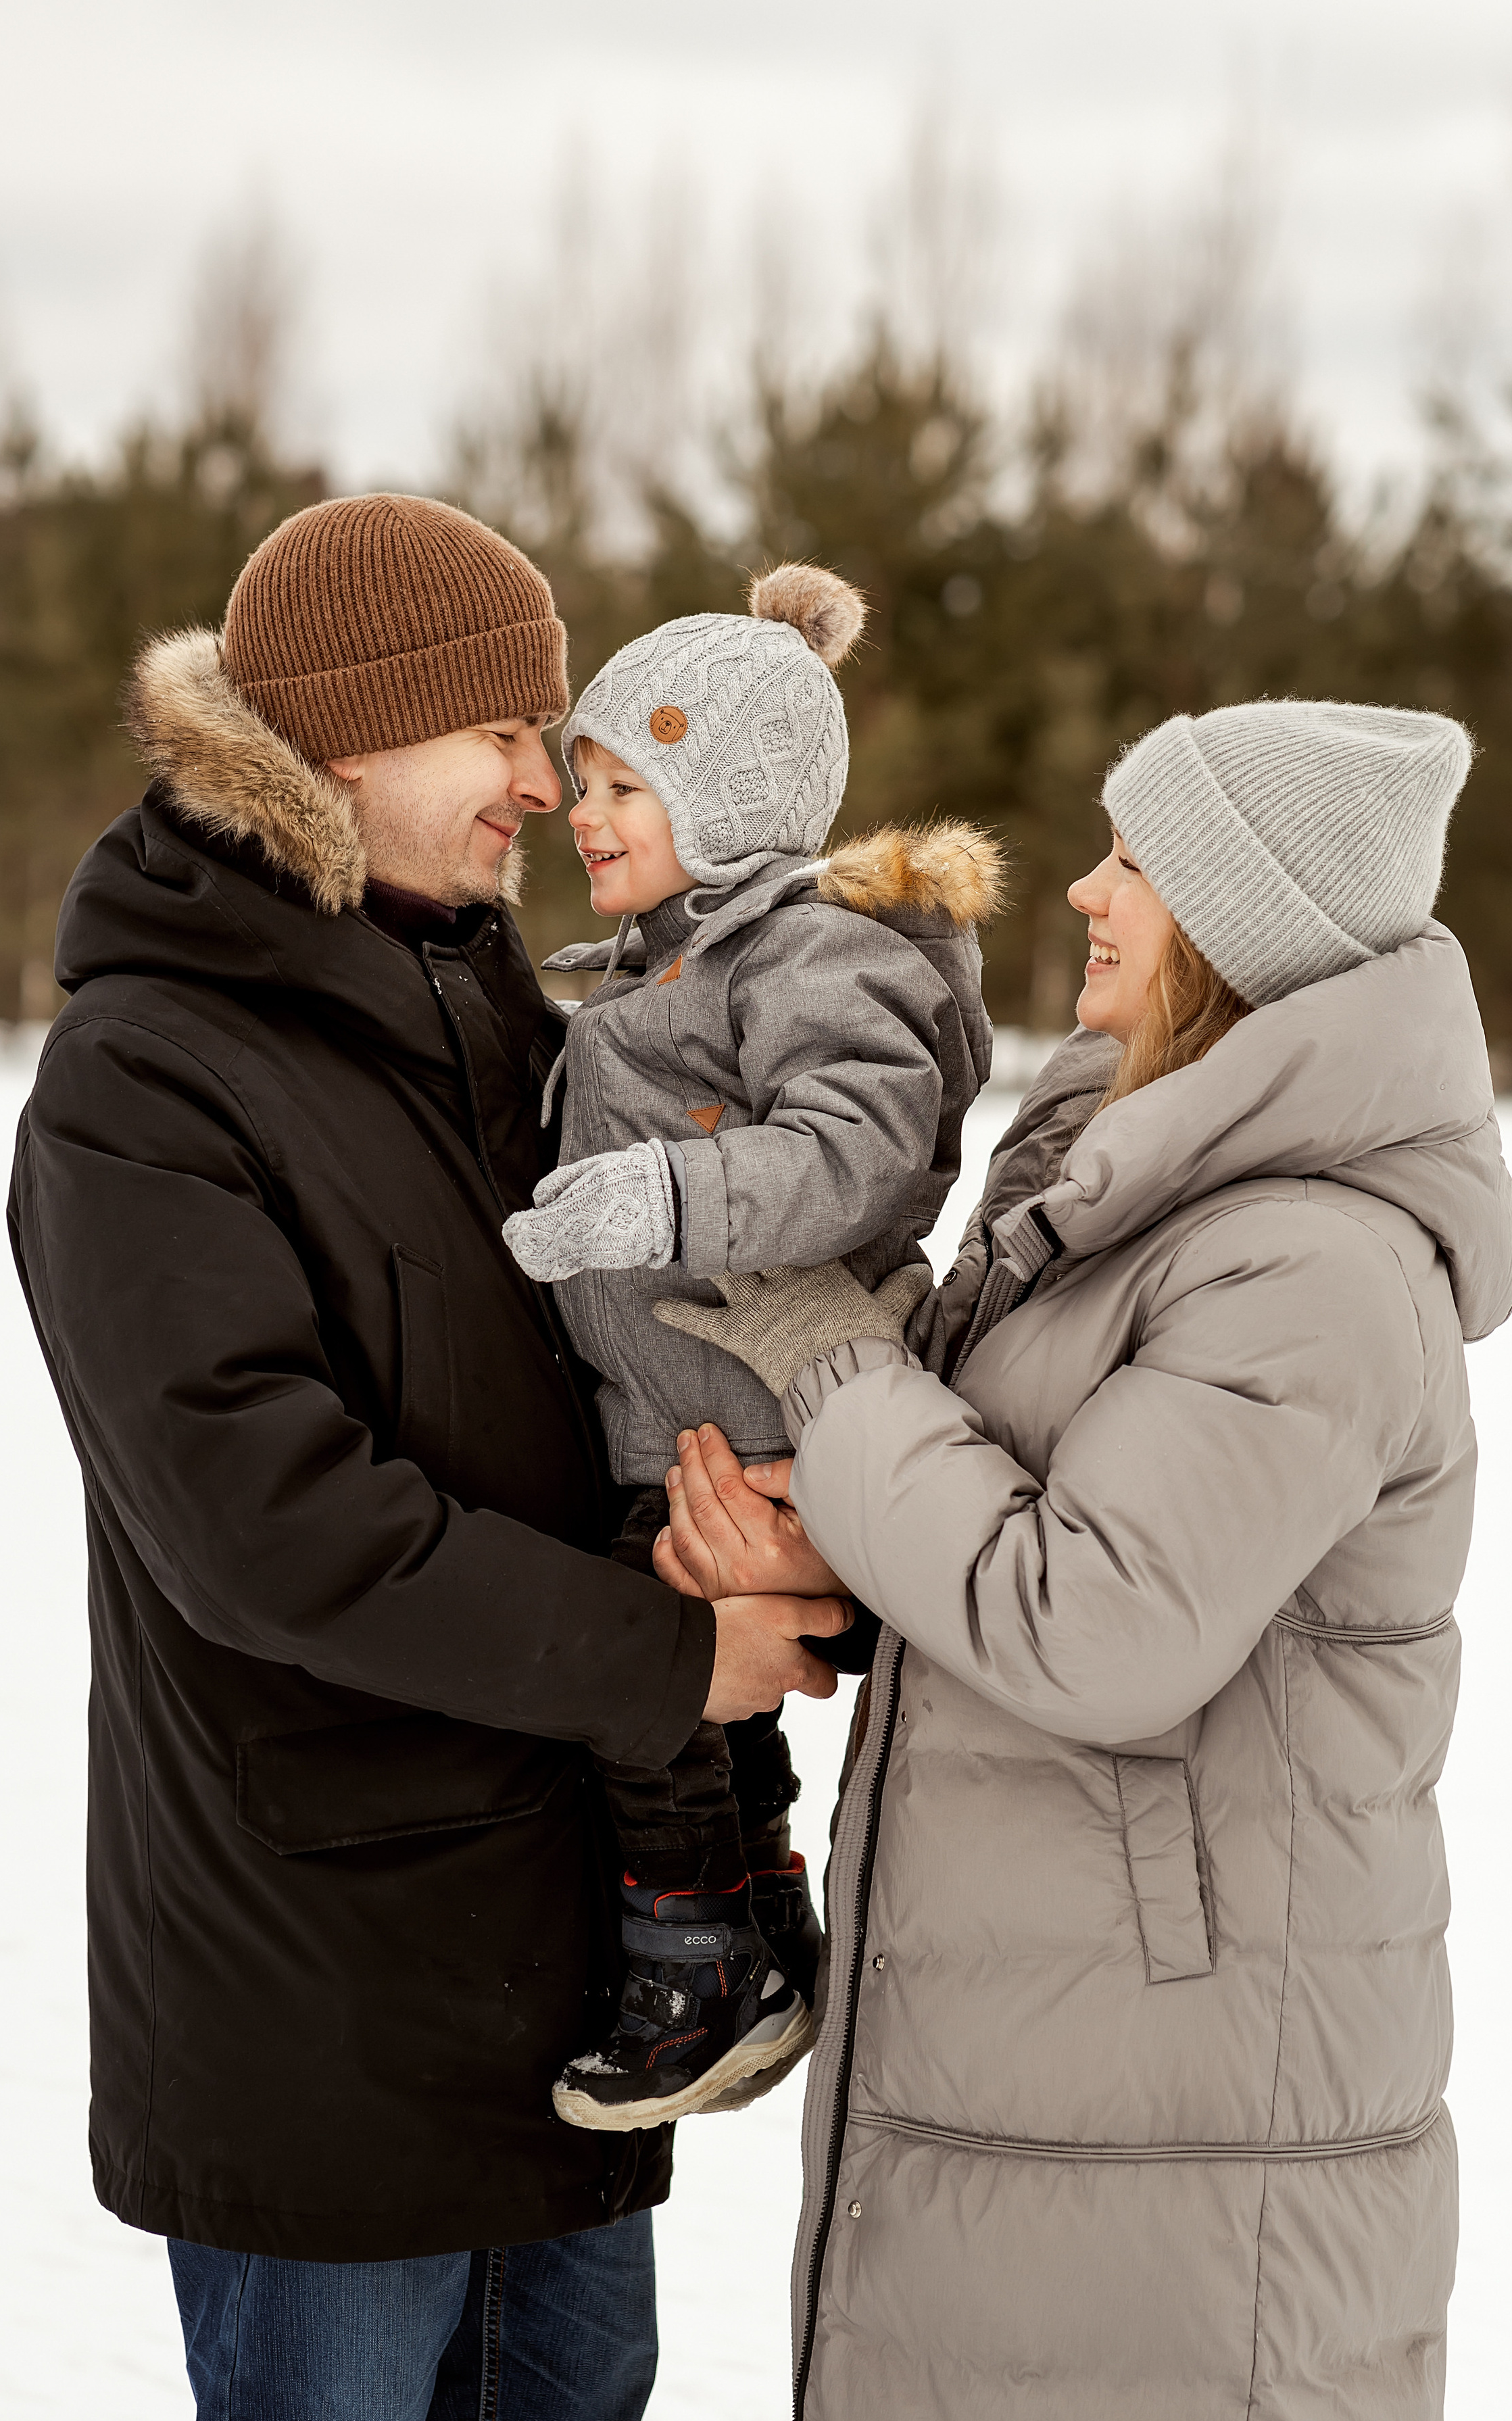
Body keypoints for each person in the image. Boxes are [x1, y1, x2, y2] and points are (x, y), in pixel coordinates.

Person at [6, 492, 850, 2421]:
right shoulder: (145, 1080)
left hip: (568, 1975)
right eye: (505, 732)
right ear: (342, 740)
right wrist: (677, 1663)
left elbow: (620, 1389)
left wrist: (762, 1518)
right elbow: (272, 1535)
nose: (545, 787)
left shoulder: (527, 1038)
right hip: (326, 1989)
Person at [655, 700, 1512, 2421]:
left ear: (1240, 925)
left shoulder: (1306, 1261)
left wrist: (837, 1356)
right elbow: (1014, 1543)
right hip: (1049, 2113)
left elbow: (1098, 1618)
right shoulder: (1132, 1190)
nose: (1087, 889)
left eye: (1140, 862)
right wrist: (831, 1543)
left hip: (1178, 2184)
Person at [499, 565, 1000, 2130]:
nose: (583, 815)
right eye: (579, 781)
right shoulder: (680, 962)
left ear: (728, 805)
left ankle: (696, 1950)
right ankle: (762, 1917)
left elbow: (852, 1150)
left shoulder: (812, 957)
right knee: (703, 1697)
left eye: (624, 786)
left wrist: (656, 1191)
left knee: (645, 1683)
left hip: (741, 1412)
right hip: (674, 1405)